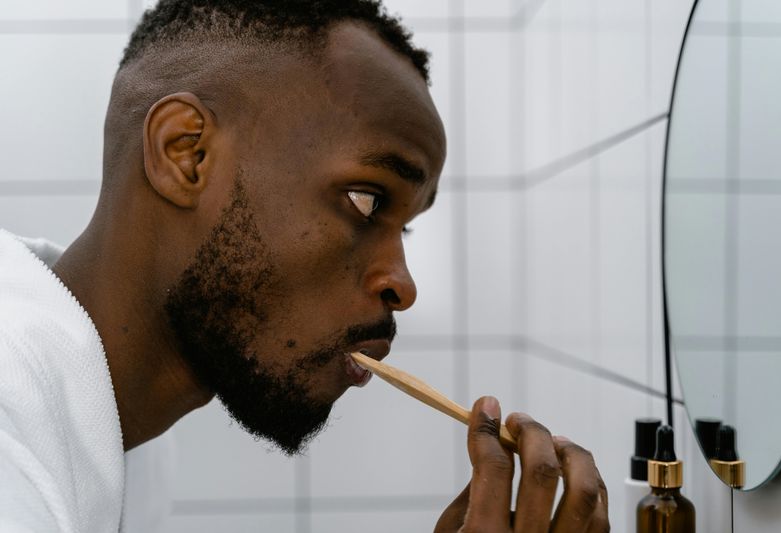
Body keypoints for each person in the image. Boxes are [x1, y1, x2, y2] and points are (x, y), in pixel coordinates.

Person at [0, 1, 609, 531]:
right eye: (366, 202)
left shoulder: (121, 432)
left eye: (408, 224)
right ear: (187, 155)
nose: (403, 284)